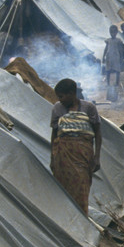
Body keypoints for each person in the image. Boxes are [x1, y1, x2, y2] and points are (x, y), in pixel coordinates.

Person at [50, 78, 102, 213]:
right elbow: (54, 134)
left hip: (83, 155)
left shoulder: (89, 108)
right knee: (62, 188)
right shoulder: (57, 108)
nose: (60, 100)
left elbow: (97, 133)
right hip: (63, 156)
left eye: (61, 96)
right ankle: (67, 218)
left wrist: (97, 157)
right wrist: (52, 158)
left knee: (82, 187)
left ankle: (81, 217)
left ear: (72, 93)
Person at [102, 25, 124, 101]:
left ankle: (117, 83)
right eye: (111, 32)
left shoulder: (118, 41)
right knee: (108, 71)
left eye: (114, 32)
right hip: (109, 57)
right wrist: (103, 57)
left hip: (116, 57)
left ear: (116, 32)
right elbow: (106, 49)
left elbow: (120, 50)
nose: (112, 33)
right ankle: (108, 83)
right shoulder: (108, 40)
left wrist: (121, 58)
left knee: (117, 71)